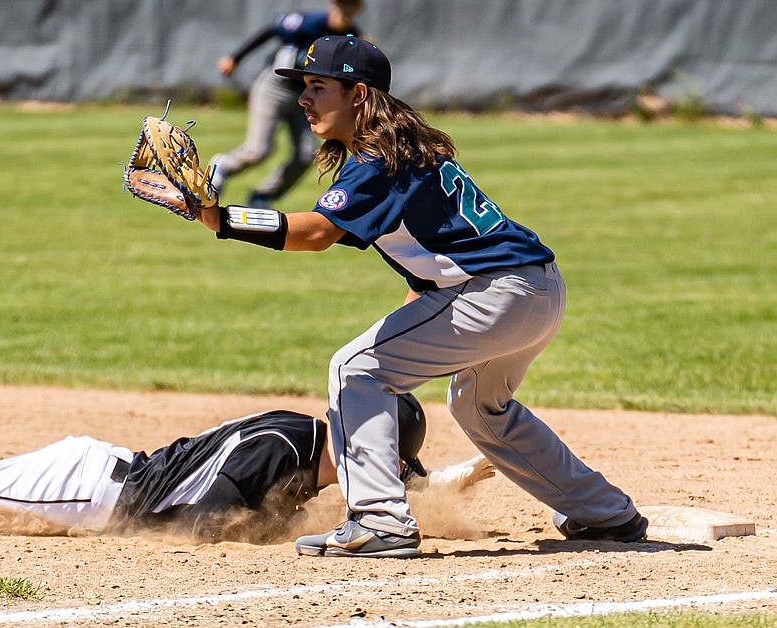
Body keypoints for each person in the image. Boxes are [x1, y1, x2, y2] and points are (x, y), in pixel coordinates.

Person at [194, 36, 649, 558]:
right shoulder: (402, 149)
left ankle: (378, 521)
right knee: (480, 406)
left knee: (355, 369)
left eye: (318, 87)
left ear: (359, 94)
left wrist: (222, 218)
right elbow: (434, 251)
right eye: (304, 88)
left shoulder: (377, 160)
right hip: (537, 289)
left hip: (498, 294)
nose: (304, 99)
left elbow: (316, 233)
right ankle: (605, 513)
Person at [0, 335, 494, 543]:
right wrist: (282, 533)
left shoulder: (301, 445)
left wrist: (436, 486)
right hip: (96, 489)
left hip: (93, 483)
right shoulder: (286, 447)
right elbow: (197, 521)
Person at [209, 0, 364, 208]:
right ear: (332, 5)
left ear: (359, 8)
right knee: (258, 150)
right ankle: (222, 165)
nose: (345, 9)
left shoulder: (351, 37)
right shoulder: (309, 22)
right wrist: (235, 58)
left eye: (350, 5)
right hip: (275, 86)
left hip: (308, 93)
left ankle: (262, 196)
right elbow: (271, 29)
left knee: (306, 155)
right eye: (341, 4)